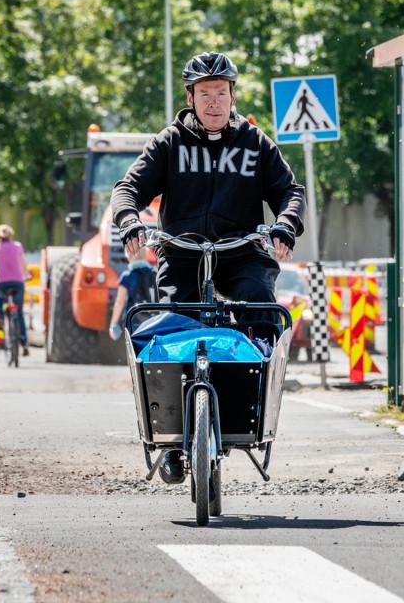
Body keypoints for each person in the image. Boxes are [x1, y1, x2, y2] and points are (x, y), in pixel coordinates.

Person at [111, 50, 305, 484]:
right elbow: (129, 188)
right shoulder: (168, 143)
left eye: (221, 93)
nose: (214, 102)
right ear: (191, 97)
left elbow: (290, 190)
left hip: (242, 253)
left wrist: (285, 226)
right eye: (205, 94)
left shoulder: (255, 143)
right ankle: (174, 434)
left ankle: (252, 410)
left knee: (258, 306)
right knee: (175, 328)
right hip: (181, 253)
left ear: (233, 95)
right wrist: (129, 222)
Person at [0, 224, 32, 355]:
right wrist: (27, 276)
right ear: (11, 234)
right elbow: (23, 264)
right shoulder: (18, 246)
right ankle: (24, 343)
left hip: (1, 282)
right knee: (19, 312)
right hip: (18, 282)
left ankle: (0, 318)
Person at [108, 252, 158, 341]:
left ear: (129, 256)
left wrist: (113, 324)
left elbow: (120, 301)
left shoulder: (127, 276)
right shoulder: (154, 274)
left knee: (133, 350)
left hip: (133, 321)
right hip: (151, 321)